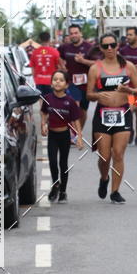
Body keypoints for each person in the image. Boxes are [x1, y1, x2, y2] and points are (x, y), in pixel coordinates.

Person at [86, 32, 137, 204]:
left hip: (122, 114)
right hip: (103, 115)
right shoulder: (95, 68)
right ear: (101, 48)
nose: (109, 48)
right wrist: (98, 96)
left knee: (118, 153)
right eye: (105, 46)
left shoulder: (129, 66)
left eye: (112, 45)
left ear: (118, 45)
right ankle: (104, 179)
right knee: (104, 156)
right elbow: (88, 94)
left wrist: (129, 91)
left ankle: (115, 191)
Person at [41, 71, 83, 203]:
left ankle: (63, 192)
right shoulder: (47, 98)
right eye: (55, 79)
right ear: (51, 83)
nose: (57, 82)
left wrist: (79, 138)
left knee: (63, 164)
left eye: (61, 80)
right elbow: (43, 112)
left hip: (64, 135)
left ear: (66, 84)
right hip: (52, 135)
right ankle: (55, 185)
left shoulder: (70, 102)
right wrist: (43, 124)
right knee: (53, 162)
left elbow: (76, 121)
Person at [58, 24, 93, 135]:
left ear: (81, 33)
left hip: (86, 84)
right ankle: (73, 133)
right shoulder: (65, 47)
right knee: (74, 107)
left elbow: (98, 64)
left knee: (83, 111)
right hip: (71, 83)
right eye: (71, 33)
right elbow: (56, 55)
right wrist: (61, 66)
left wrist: (83, 61)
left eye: (76, 33)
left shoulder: (89, 47)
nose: (73, 35)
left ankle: (77, 133)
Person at [29, 31, 61, 96]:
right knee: (51, 99)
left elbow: (33, 68)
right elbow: (59, 67)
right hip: (51, 80)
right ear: (49, 39)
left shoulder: (35, 52)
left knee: (42, 99)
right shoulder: (55, 52)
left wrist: (34, 78)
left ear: (40, 40)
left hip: (38, 81)